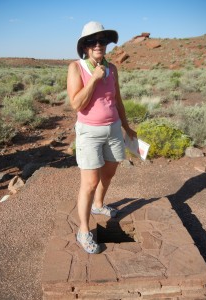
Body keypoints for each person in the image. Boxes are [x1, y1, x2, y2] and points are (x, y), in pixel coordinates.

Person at [67, 21, 136, 254]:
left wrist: (127, 126)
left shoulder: (113, 68)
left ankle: (98, 205)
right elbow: (76, 103)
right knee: (89, 183)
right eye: (92, 41)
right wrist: (95, 78)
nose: (98, 44)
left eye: (102, 40)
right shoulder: (76, 68)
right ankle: (83, 231)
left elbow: (117, 101)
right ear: (84, 46)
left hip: (114, 130)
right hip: (89, 133)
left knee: (110, 172)